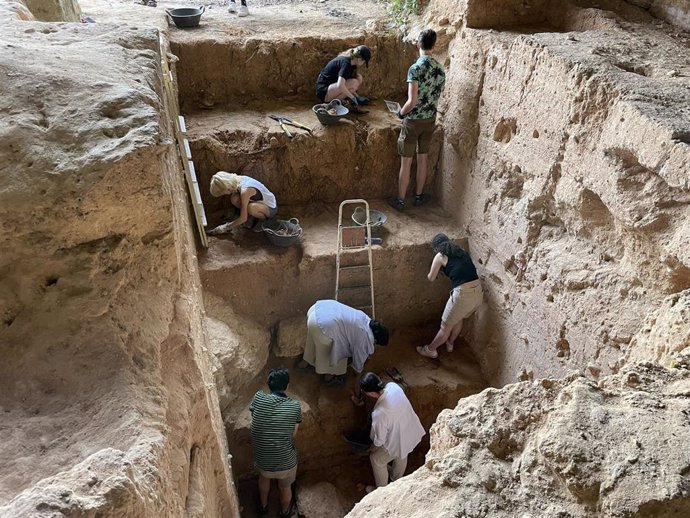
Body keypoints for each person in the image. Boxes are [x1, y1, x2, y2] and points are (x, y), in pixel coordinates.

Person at [388, 29, 446, 212]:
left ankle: (401, 200)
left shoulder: (415, 69)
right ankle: (419, 197)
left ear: (418, 44)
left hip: (413, 121)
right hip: (430, 120)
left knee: (406, 162)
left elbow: (411, 102)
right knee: (423, 159)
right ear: (434, 45)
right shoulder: (440, 68)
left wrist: (401, 113)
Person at [297, 300, 389, 394]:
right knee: (339, 350)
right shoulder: (365, 339)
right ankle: (329, 377)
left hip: (316, 310)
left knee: (320, 337)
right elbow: (358, 366)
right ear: (376, 340)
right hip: (322, 326)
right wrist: (358, 379)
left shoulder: (365, 319)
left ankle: (305, 361)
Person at [417, 234, 483, 358]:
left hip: (463, 295)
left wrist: (437, 268)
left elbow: (431, 278)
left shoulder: (440, 256)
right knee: (458, 318)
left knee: (444, 327)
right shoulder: (461, 251)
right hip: (478, 293)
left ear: (437, 248)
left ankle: (430, 350)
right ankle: (450, 343)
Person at [359, 372, 425, 492]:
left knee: (376, 460)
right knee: (403, 452)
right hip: (410, 430)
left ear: (370, 393)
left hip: (397, 439)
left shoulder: (380, 413)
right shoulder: (393, 386)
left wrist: (373, 448)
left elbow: (380, 440)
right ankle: (396, 479)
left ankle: (382, 492)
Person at [250, 368, 301, 517]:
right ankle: (285, 512)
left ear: (268, 385)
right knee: (285, 487)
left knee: (264, 478)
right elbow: (293, 434)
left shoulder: (258, 398)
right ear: (287, 386)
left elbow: (255, 417)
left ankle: (263, 506)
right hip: (286, 464)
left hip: (263, 461)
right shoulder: (294, 406)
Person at [206, 171, 277, 235]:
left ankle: (263, 221)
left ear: (227, 186)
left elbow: (243, 218)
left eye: (224, 191)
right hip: (258, 202)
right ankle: (250, 216)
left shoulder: (245, 190)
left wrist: (224, 227)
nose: (225, 193)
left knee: (251, 208)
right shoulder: (237, 179)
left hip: (270, 208)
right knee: (234, 198)